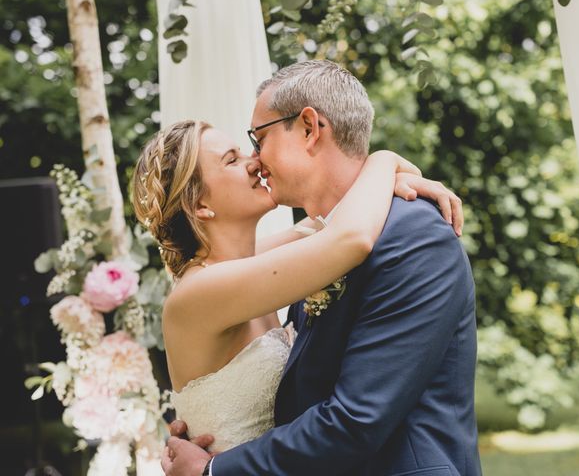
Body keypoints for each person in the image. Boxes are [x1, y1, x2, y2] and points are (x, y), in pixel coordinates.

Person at [159, 60, 481, 476]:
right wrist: (383, 164)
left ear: (309, 128)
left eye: (258, 139)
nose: (255, 160)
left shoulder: (413, 235)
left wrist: (214, 469)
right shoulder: (312, 250)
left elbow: (355, 419)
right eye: (236, 157)